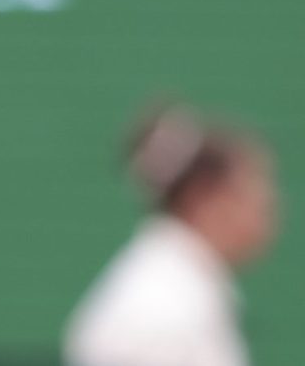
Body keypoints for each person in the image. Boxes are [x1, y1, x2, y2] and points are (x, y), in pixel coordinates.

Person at [66, 105, 281, 366]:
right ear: (205, 198)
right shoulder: (163, 308)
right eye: (252, 190)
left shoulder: (181, 287)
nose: (269, 205)